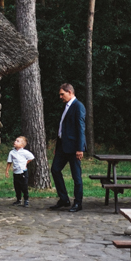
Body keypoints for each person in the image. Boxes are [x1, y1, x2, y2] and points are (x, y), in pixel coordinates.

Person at [50, 83, 86, 212]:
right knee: (55, 170)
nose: (60, 97)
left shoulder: (78, 106)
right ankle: (64, 199)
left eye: (62, 94)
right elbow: (62, 127)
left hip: (74, 148)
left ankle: (78, 203)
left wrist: (80, 148)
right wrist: (57, 145)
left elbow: (80, 129)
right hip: (62, 147)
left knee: (76, 176)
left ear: (70, 92)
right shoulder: (65, 106)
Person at [5, 136, 34, 207]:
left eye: (18, 141)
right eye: (15, 140)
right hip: (16, 172)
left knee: (24, 186)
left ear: (22, 145)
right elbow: (9, 162)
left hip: (23, 172)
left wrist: (25, 163)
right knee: (17, 186)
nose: (15, 142)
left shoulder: (24, 152)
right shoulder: (12, 152)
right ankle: (18, 200)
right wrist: (7, 170)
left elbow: (31, 157)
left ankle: (26, 199)